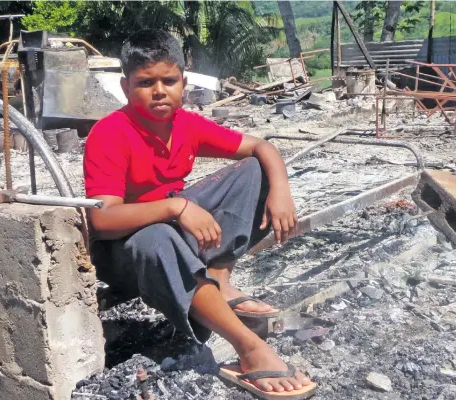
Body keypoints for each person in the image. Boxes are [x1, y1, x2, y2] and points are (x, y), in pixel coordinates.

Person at [83, 30, 316, 397]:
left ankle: (218, 280)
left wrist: (282, 192)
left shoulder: (186, 124)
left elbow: (260, 146)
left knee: (256, 169)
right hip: (130, 253)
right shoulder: (110, 133)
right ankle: (248, 348)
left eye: (168, 80)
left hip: (173, 229)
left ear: (183, 83)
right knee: (158, 236)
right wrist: (177, 207)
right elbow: (102, 220)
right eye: (145, 82)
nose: (159, 90)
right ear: (126, 88)